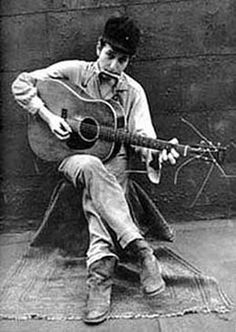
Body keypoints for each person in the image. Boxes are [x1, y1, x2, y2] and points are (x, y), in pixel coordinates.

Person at [11, 15, 179, 324]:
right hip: (70, 156)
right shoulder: (74, 71)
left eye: (123, 60)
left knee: (100, 194)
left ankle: (99, 280)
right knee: (89, 164)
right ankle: (141, 249)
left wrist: (159, 152)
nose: (114, 65)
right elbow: (21, 83)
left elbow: (144, 136)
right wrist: (48, 117)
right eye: (110, 55)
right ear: (98, 47)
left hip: (115, 160)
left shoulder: (134, 93)